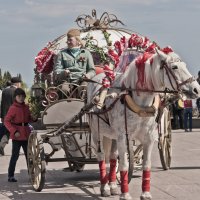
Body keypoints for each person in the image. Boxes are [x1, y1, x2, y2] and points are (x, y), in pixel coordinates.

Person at [4, 88, 37, 182]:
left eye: (23, 96)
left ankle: (32, 174)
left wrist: (33, 119)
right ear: (15, 97)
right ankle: (10, 175)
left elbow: (28, 118)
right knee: (15, 156)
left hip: (26, 135)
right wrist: (14, 131)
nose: (21, 98)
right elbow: (6, 121)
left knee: (29, 155)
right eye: (19, 96)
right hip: (17, 136)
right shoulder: (12, 108)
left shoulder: (26, 107)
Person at [54, 28, 96, 96]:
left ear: (77, 40)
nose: (68, 42)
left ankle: (84, 106)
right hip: (67, 81)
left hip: (82, 80)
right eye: (67, 40)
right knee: (64, 89)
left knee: (84, 87)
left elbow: (92, 70)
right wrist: (63, 72)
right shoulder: (62, 54)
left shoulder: (86, 53)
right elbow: (57, 71)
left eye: (70, 40)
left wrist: (88, 75)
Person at [0, 77, 22, 156]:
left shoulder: (4, 91)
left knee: (8, 132)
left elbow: (2, 104)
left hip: (6, 115)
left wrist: (2, 116)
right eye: (20, 83)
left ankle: (2, 146)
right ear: (17, 83)